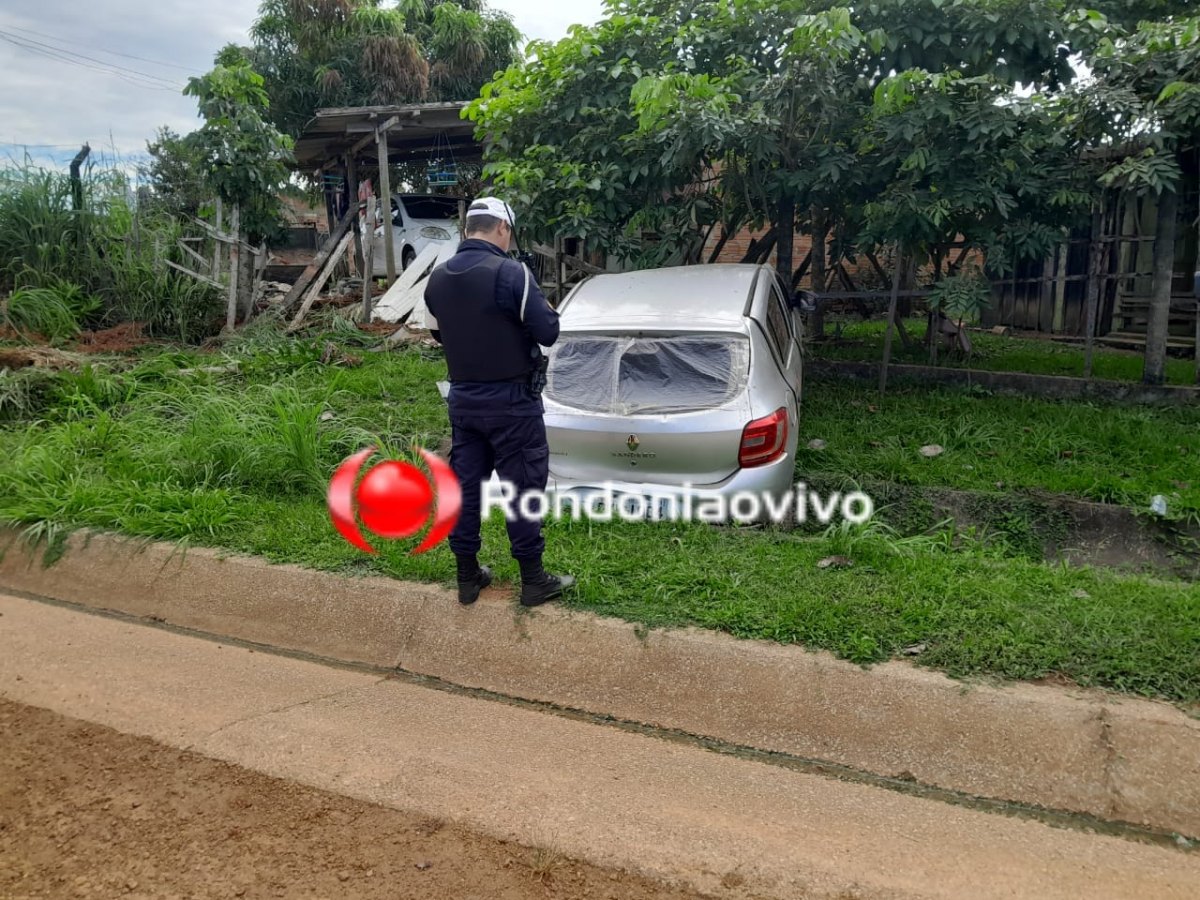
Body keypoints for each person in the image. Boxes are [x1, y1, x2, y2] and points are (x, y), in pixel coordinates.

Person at [424, 197, 576, 607]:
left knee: (465, 488)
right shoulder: (513, 274)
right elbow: (548, 333)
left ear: (468, 227)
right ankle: (533, 580)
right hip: (513, 404)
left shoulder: (436, 279)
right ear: (502, 230)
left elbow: (440, 334)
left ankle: (467, 577)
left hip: (464, 402)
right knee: (523, 487)